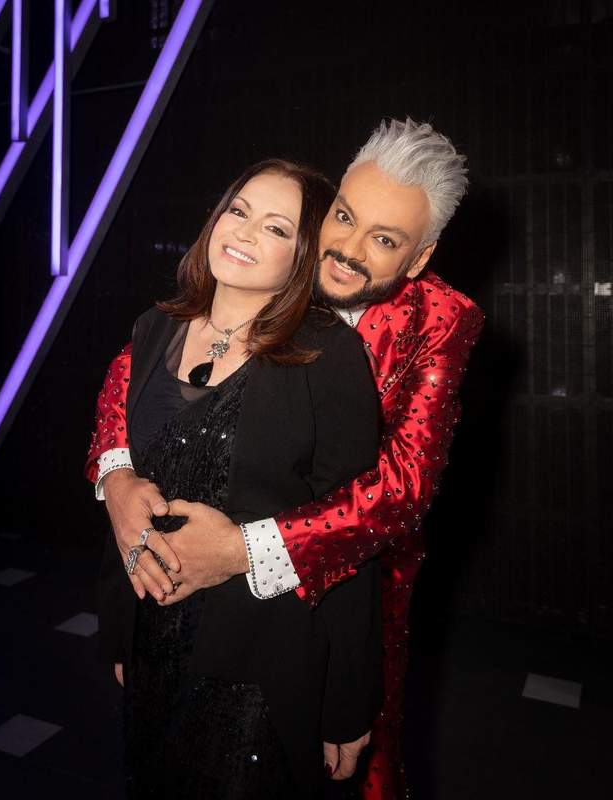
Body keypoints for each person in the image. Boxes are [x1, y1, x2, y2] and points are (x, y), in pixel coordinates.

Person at [86, 119, 485, 799]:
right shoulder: (204, 302)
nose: (347, 251)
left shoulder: (431, 322)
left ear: (418, 259)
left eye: (384, 240)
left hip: (337, 581)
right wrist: (117, 476)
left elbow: (398, 489)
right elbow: (129, 383)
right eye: (343, 218)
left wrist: (241, 553)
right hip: (171, 621)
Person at [93, 158, 384, 799]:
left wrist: (347, 701)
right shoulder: (154, 328)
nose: (245, 232)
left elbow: (354, 531)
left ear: (303, 256)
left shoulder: (328, 354)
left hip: (261, 659)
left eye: (276, 228)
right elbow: (125, 470)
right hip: (151, 639)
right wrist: (121, 630)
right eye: (239, 210)